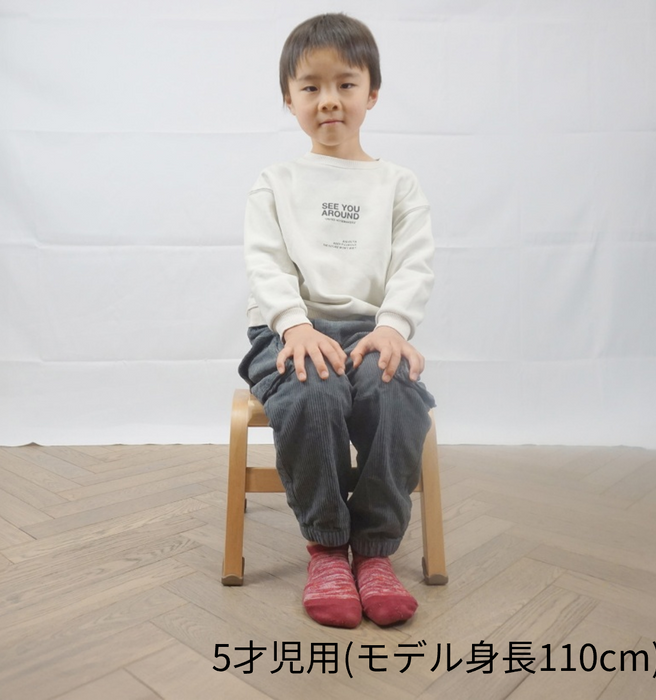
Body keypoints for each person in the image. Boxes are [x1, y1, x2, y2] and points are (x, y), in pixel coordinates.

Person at [238, 12, 435, 628]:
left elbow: (414, 264)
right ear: (289, 98)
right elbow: (265, 263)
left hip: (373, 330)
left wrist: (393, 325)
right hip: (287, 330)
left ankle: (373, 552)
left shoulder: (398, 184)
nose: (329, 100)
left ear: (371, 93)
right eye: (311, 87)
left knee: (394, 394)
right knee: (312, 392)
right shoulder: (275, 182)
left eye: (346, 84)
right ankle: (326, 547)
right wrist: (295, 325)